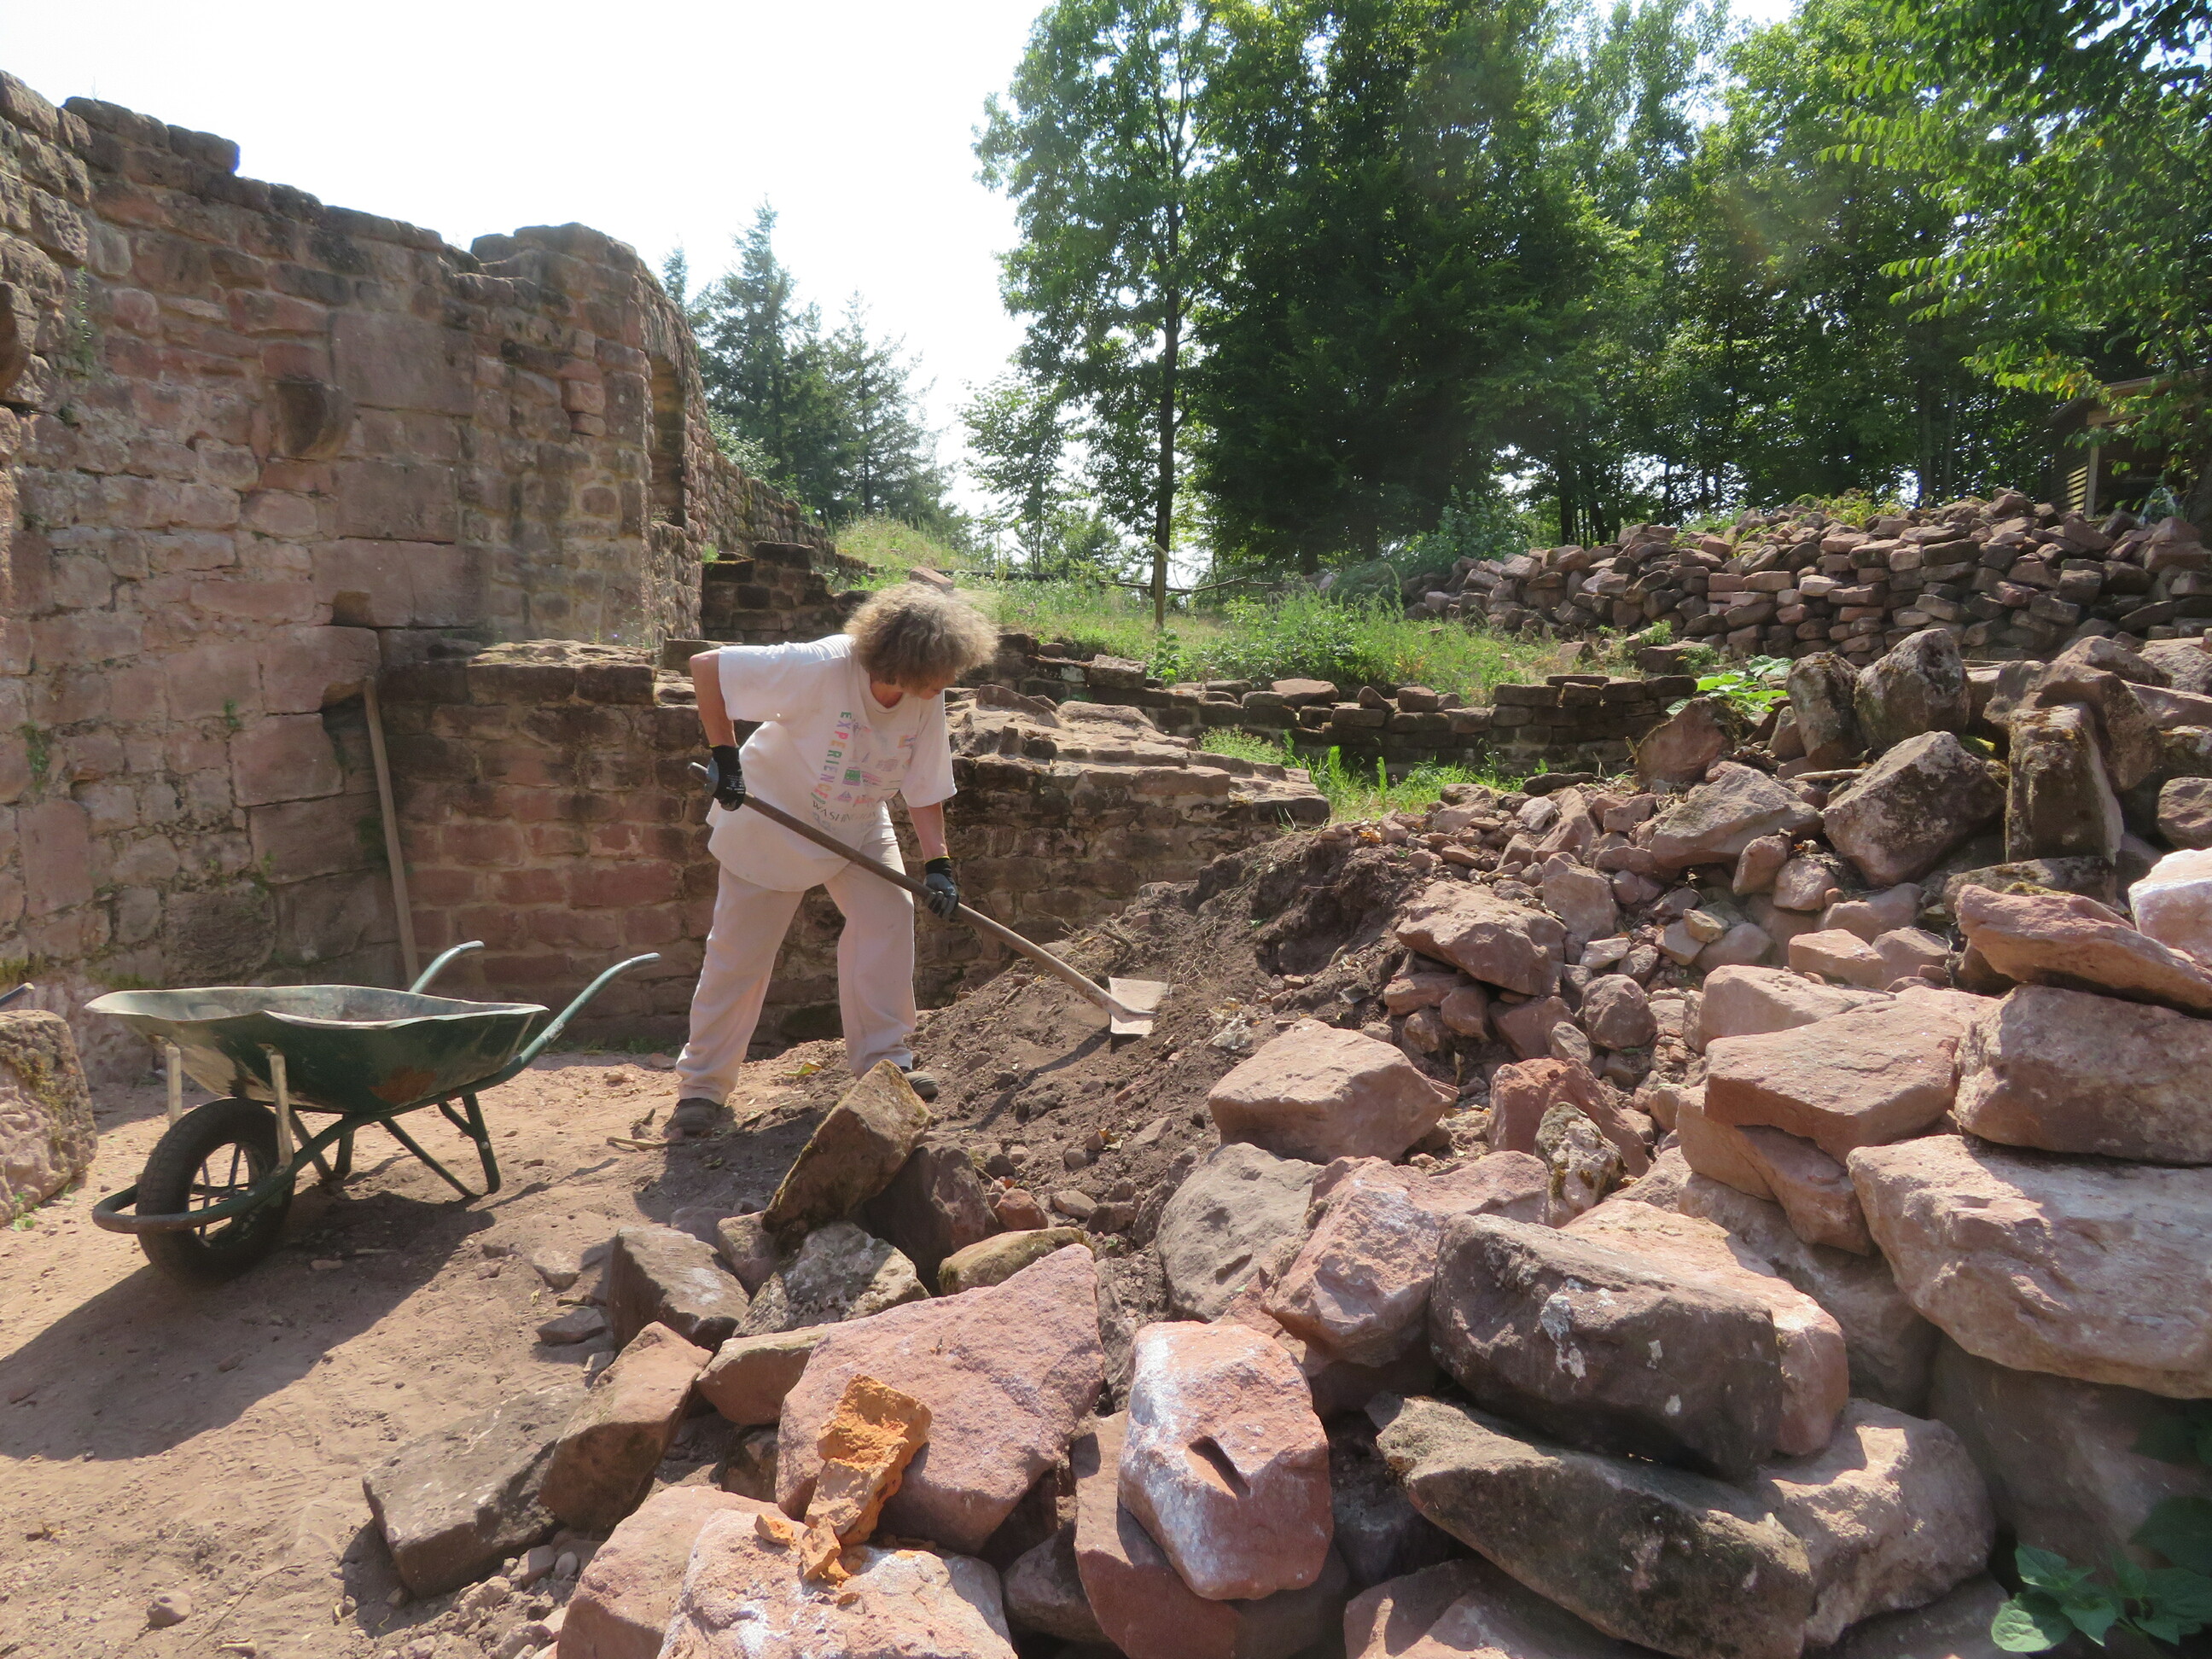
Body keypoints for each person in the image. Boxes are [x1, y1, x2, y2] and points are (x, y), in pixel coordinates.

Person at [669, 585, 998, 1137]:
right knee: (740, 955)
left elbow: (924, 782)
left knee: (888, 918)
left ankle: (885, 1063)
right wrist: (725, 756)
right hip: (773, 818)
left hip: (858, 818)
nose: (946, 684)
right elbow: (708, 668)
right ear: (901, 662)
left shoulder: (926, 692)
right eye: (939, 674)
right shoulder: (821, 665)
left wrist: (938, 865)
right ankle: (702, 1088)